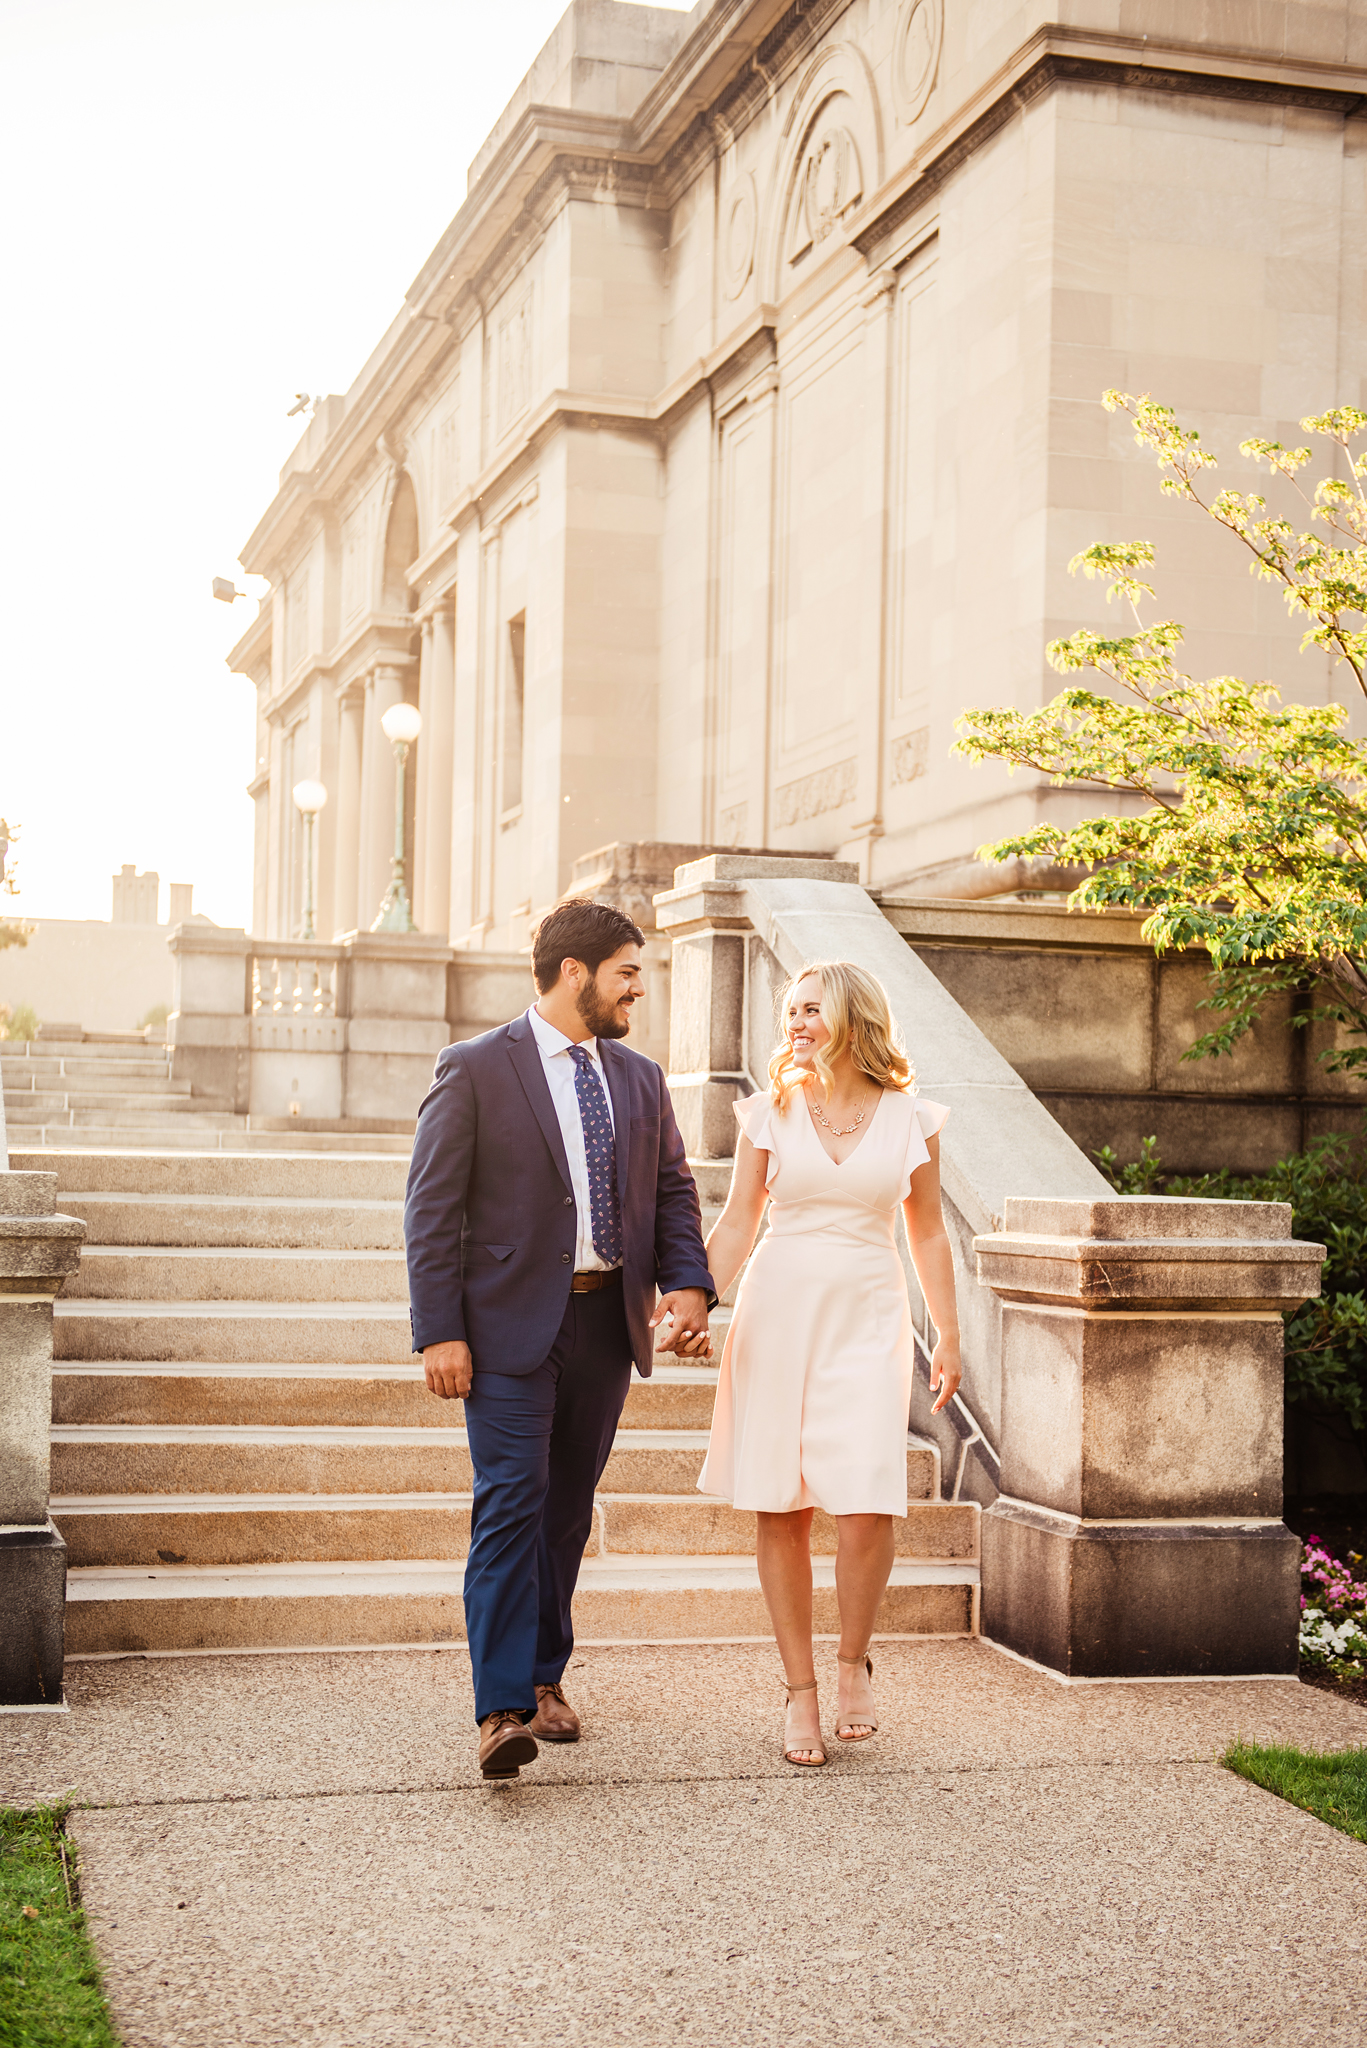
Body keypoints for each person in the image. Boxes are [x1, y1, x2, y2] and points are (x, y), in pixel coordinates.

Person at [405, 900, 716, 1781]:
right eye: (627, 972)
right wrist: (439, 1332)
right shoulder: (473, 1067)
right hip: (504, 1326)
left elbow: (671, 1191)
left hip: (603, 1326)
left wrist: (688, 1281)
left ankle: (545, 1677)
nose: (637, 990)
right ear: (575, 972)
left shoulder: (641, 1077)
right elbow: (430, 1211)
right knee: (512, 1499)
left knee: (566, 1511)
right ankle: (500, 1707)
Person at [697, 959, 962, 1768]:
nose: (795, 1023)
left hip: (868, 1315)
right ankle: (799, 1690)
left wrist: (946, 1333)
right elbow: (740, 1222)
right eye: (790, 1011)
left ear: (850, 1015)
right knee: (779, 1505)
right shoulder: (766, 1112)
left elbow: (925, 1232)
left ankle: (853, 1663)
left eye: (810, 1008)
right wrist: (690, 1300)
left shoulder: (912, 1119)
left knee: (864, 1502)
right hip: (777, 1313)